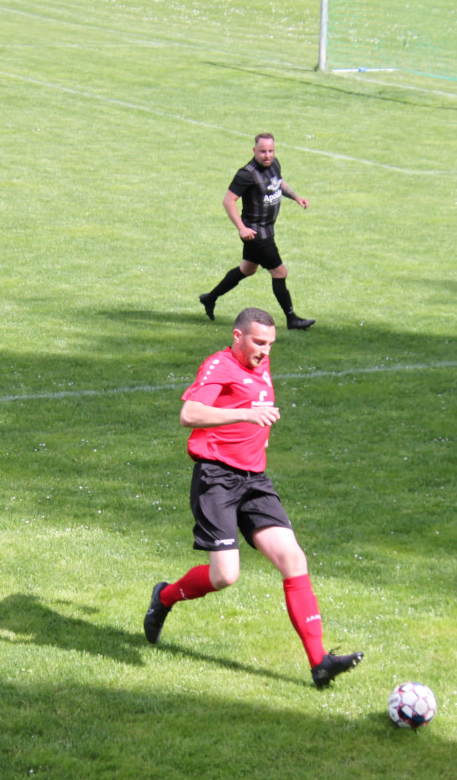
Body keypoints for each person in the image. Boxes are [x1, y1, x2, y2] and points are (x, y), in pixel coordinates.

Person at [144, 307, 362, 688]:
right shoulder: (219, 365)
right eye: (258, 342)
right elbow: (189, 414)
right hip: (216, 479)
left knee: (293, 558)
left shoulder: (259, 363)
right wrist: (246, 414)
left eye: (271, 345)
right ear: (237, 337)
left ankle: (319, 662)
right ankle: (164, 598)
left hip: (255, 480)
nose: (265, 352)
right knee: (225, 575)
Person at [199, 134, 316, 330]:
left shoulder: (274, 164)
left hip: (267, 229)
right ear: (254, 151)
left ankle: (210, 298)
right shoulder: (246, 174)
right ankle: (292, 319)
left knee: (247, 269)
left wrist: (296, 196)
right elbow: (228, 201)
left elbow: (279, 183)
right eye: (262, 151)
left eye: (270, 151)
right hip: (256, 234)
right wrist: (241, 228)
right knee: (280, 272)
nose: (267, 155)